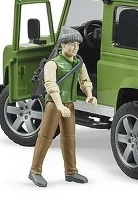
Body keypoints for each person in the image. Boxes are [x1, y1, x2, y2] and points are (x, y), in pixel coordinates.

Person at [28, 27, 97, 187]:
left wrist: (89, 95)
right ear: (62, 45)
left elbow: (85, 81)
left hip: (69, 104)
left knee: (69, 138)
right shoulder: (52, 64)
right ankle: (35, 170)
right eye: (72, 44)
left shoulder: (78, 63)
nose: (75, 48)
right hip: (54, 104)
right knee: (45, 137)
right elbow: (51, 86)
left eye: (77, 45)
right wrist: (59, 106)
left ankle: (71, 171)